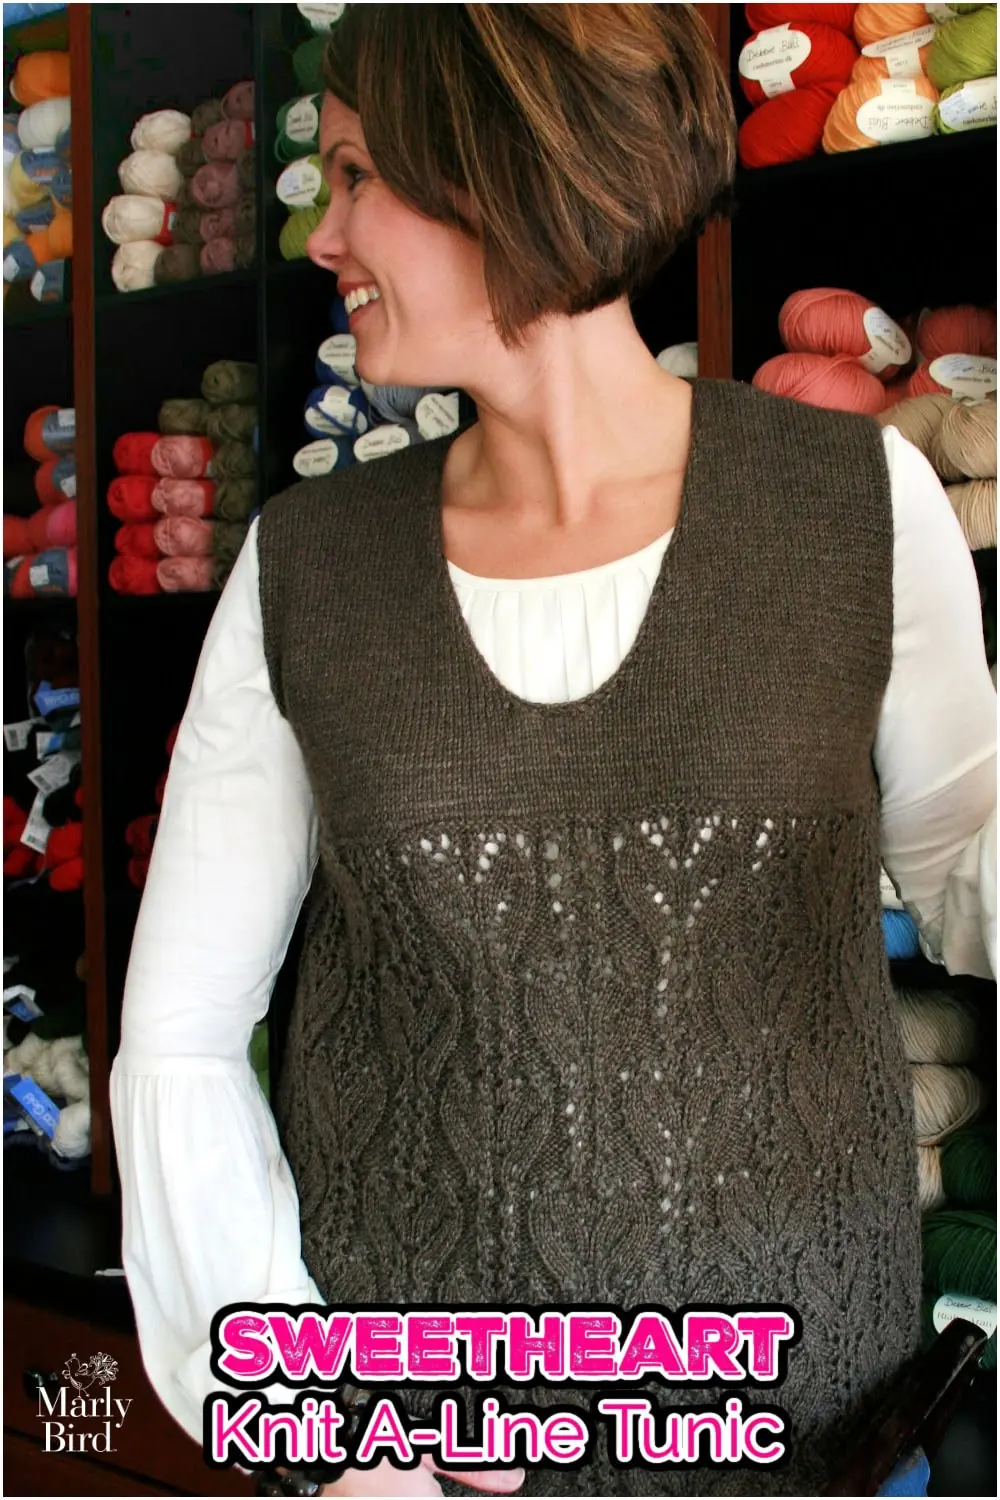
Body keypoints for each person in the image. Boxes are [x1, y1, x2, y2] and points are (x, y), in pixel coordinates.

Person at [110, 6, 997, 1498]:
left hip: (812, 1431)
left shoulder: (857, 501)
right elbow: (184, 1038)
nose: (325, 236)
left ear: (507, 171)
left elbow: (966, 861)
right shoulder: (307, 566)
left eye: (355, 177)